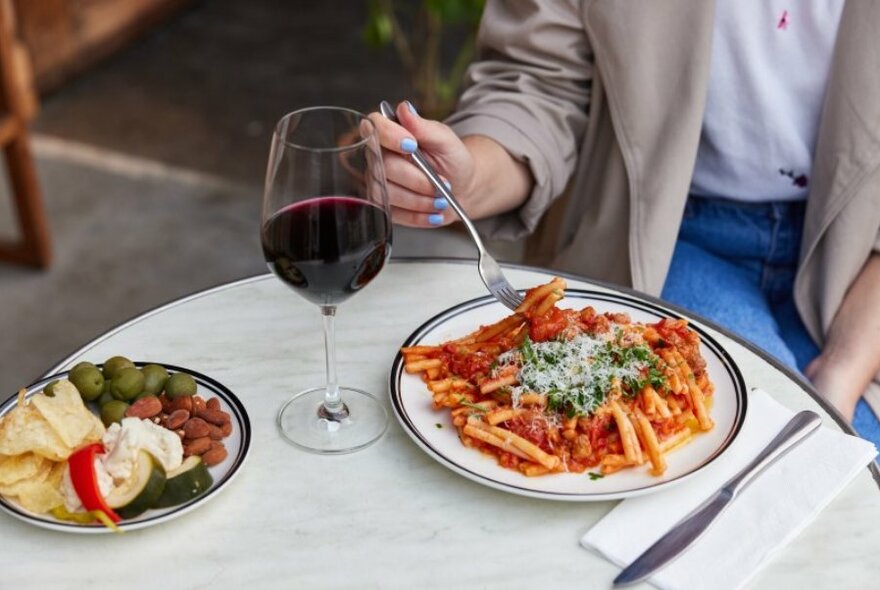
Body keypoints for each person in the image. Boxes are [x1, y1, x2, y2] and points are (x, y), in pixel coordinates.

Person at [368, 1, 880, 444]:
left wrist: (843, 371)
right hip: (667, 236)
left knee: (851, 461)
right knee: (746, 443)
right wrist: (468, 177)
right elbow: (538, 83)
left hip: (859, 266)